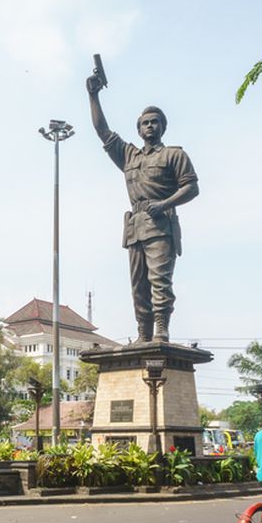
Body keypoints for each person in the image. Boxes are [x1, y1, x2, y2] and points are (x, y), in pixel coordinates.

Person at [87, 66, 199, 343]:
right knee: (138, 287)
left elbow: (192, 187)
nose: (150, 126)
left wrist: (164, 204)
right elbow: (103, 131)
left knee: (160, 282)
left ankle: (161, 331)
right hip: (134, 228)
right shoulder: (129, 156)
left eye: (154, 122)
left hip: (161, 226)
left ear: (162, 127)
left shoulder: (174, 155)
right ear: (138, 129)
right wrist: (93, 96)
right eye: (145, 123)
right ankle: (142, 334)